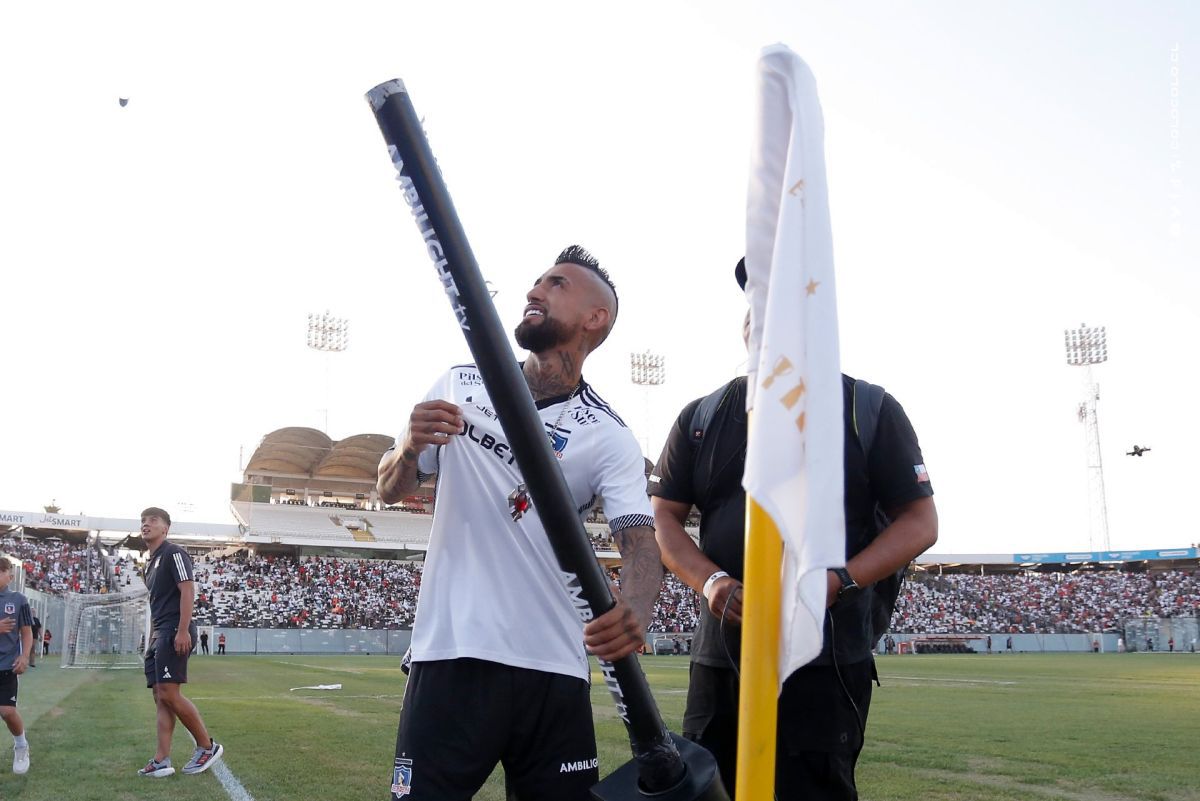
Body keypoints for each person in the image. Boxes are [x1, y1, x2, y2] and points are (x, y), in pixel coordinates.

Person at [377, 246, 663, 801]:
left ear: (594, 319)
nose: (534, 291)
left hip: (553, 666)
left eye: (555, 285)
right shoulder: (462, 381)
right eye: (535, 282)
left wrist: (637, 609)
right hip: (451, 653)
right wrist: (409, 447)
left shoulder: (608, 435)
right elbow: (391, 489)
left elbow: (640, 543)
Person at [649, 259, 938, 801]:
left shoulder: (866, 408)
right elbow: (662, 516)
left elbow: (920, 522)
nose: (762, 312)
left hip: (827, 654)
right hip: (723, 655)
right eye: (754, 298)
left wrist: (840, 581)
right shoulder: (705, 414)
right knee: (712, 789)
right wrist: (710, 581)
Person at [137, 507, 224, 778]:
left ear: (166, 528)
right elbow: (156, 604)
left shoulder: (173, 553)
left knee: (170, 694)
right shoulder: (149, 564)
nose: (146, 524)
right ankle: (161, 759)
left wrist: (183, 630)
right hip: (159, 633)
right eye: (143, 521)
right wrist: (152, 637)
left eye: (153, 520)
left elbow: (187, 589)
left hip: (175, 629)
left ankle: (206, 746)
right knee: (160, 697)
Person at [0, 558, 33, 775]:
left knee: (7, 711)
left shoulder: (18, 600)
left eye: (1, 571)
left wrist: (24, 655)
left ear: (10, 577)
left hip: (6, 664)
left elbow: (26, 631)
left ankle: (21, 745)